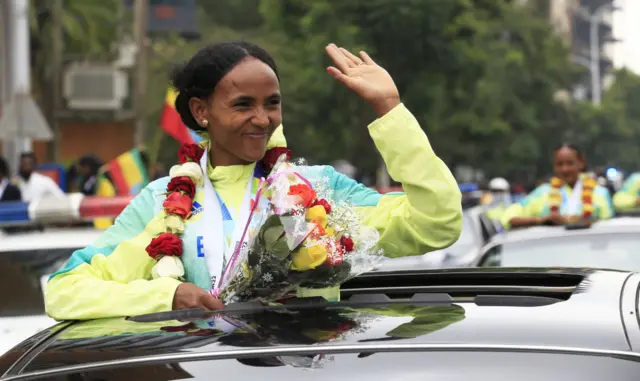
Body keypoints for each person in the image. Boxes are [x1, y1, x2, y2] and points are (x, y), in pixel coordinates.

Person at [45, 42, 462, 320]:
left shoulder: (319, 190)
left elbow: (435, 222)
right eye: (243, 104)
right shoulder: (160, 202)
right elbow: (64, 291)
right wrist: (166, 297)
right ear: (201, 111)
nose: (262, 119)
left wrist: (389, 109)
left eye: (272, 104)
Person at [500, 144, 613, 229]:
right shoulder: (542, 193)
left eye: (570, 163)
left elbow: (609, 228)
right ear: (554, 166)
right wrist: (542, 220)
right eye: (560, 164)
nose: (565, 169)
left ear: (581, 163)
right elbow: (508, 218)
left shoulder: (600, 194)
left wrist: (585, 221)